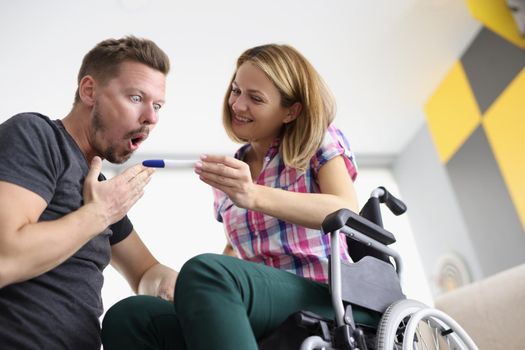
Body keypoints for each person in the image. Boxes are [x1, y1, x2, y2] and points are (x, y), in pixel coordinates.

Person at [102, 43, 367, 350]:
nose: (237, 105)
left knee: (206, 272)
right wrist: (188, 290)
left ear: (290, 111)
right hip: (262, 302)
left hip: (325, 292)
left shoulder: (317, 140)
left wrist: (252, 194)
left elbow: (347, 209)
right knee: (132, 316)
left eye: (255, 98)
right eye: (236, 90)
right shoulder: (233, 170)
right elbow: (236, 252)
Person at [0, 36, 178, 350]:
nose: (151, 117)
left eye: (158, 105)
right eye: (136, 98)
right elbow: (6, 257)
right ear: (89, 91)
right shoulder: (36, 136)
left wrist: (183, 288)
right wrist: (99, 214)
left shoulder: (99, 187)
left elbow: (145, 272)